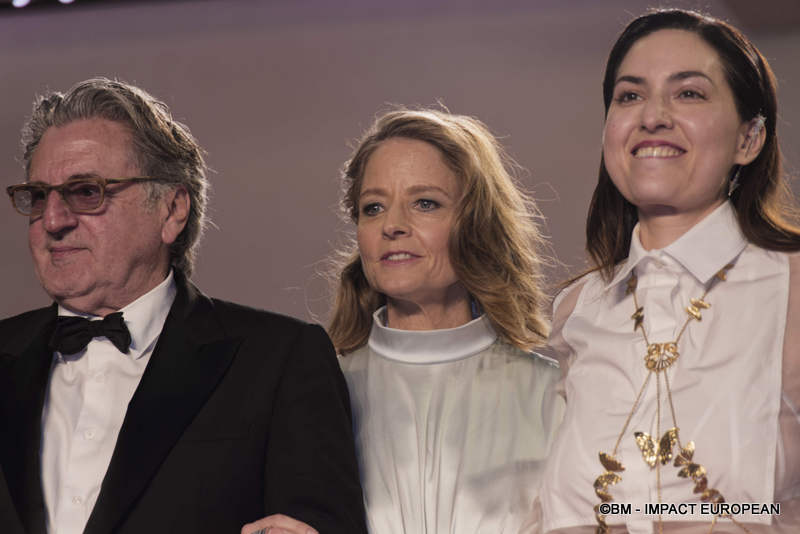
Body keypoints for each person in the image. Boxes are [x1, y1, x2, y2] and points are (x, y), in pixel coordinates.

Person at [0, 78, 367, 534]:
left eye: (86, 192)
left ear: (172, 210)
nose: (52, 220)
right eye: (38, 196)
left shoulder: (279, 361)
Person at [540, 9, 800, 534]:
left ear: (750, 138)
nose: (652, 116)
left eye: (689, 94)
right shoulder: (575, 312)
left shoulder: (791, 287)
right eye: (629, 96)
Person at [329, 108, 563, 533]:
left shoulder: (556, 397)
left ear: (476, 225)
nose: (393, 226)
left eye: (425, 203)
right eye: (374, 207)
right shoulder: (319, 395)